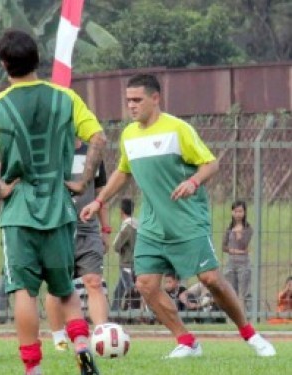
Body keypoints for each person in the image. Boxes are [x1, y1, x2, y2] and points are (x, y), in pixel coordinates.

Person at [80, 73, 275, 358]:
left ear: (155, 98)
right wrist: (99, 201)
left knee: (210, 279)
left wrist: (193, 182)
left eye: (137, 100)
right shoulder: (129, 135)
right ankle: (186, 341)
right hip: (151, 225)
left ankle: (251, 335)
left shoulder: (177, 129)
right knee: (145, 285)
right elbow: (124, 171)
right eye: (128, 101)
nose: (131, 106)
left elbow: (210, 164)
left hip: (187, 221)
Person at [0, 29, 106, 375]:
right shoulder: (66, 97)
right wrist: (83, 180)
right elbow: (99, 138)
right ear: (38, 60)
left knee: (24, 293)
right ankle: (80, 344)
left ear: (4, 65)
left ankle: (33, 367)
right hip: (59, 205)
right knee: (64, 290)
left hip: (19, 210)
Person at [46, 138, 111, 352]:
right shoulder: (50, 151)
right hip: (58, 228)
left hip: (88, 229)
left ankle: (101, 335)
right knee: (58, 285)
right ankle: (59, 338)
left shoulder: (92, 155)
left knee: (93, 281)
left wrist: (105, 229)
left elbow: (101, 193)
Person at [222, 200, 253, 305]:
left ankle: (250, 316)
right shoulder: (229, 229)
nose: (238, 214)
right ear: (232, 212)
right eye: (236, 211)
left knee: (246, 292)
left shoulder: (248, 229)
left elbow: (244, 244)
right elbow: (224, 247)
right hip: (231, 263)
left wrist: (239, 234)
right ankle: (233, 317)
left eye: (240, 211)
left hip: (244, 263)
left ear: (244, 213)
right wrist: (237, 251)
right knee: (231, 292)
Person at [111, 198, 138, 312]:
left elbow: (116, 246)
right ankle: (114, 312)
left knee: (129, 290)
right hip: (135, 262)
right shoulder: (137, 225)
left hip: (126, 263)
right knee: (119, 291)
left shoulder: (127, 227)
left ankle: (133, 313)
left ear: (121, 211)